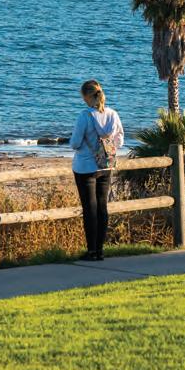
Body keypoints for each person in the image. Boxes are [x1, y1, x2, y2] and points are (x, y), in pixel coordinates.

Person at [70, 79, 124, 261]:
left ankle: (91, 251)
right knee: (102, 207)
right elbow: (120, 140)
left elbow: (75, 143)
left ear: (87, 96)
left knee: (89, 209)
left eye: (83, 97)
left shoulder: (85, 116)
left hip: (85, 167)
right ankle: (100, 250)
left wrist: (85, 146)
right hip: (105, 165)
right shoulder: (112, 114)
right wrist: (107, 148)